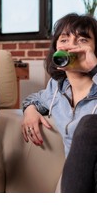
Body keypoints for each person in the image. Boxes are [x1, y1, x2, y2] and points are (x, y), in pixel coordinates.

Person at [21, 13, 97, 192]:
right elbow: (35, 98)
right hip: (78, 178)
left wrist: (94, 68)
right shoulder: (56, 88)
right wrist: (30, 110)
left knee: (89, 124)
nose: (71, 46)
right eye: (64, 40)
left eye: (82, 40)